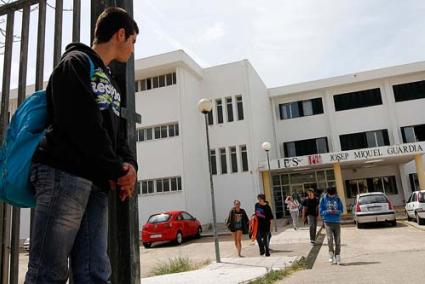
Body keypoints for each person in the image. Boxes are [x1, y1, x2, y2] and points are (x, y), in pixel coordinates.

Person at [25, 7, 139, 283]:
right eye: (133, 41)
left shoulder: (111, 81)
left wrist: (129, 167)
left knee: (95, 274)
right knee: (48, 273)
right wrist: (115, 168)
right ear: (120, 34)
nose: (133, 50)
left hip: (96, 183)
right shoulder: (75, 62)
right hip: (63, 175)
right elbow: (81, 122)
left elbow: (117, 134)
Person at [320, 187, 344, 265]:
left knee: (337, 239)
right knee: (330, 239)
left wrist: (336, 211)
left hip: (336, 222)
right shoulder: (323, 199)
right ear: (328, 193)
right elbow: (321, 211)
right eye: (331, 195)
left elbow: (341, 210)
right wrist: (328, 211)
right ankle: (331, 255)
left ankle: (337, 255)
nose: (332, 196)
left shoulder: (337, 199)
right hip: (327, 222)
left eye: (333, 194)